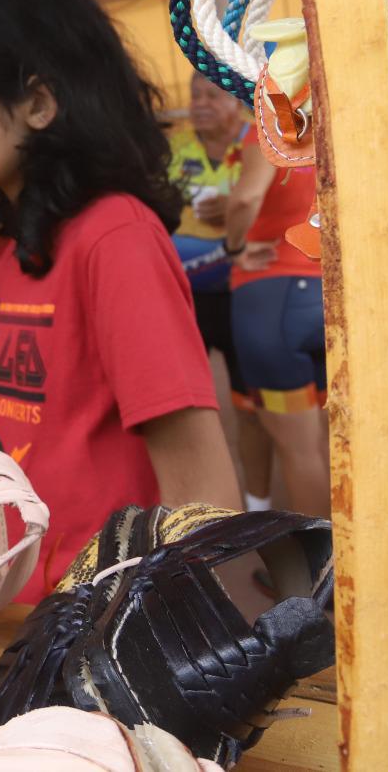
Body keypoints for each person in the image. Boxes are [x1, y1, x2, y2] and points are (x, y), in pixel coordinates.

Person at [0, 0, 240, 600]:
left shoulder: (114, 238)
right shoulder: (3, 255)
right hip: (16, 617)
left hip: (101, 619)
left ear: (38, 104)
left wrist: (172, 637)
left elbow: (202, 494)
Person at [168, 74, 271, 512]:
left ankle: (257, 505)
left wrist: (231, 209)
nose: (199, 104)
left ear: (237, 103)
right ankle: (189, 511)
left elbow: (268, 203)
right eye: (195, 96)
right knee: (179, 410)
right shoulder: (175, 147)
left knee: (250, 409)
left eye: (212, 95)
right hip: (182, 297)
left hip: (243, 292)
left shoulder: (260, 141)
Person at [223, 127, 329, 518]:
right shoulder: (339, 126)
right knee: (327, 444)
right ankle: (351, 549)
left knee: (300, 451)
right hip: (325, 293)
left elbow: (245, 198)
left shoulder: (271, 127)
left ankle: (322, 558)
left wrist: (234, 247)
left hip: (271, 299)